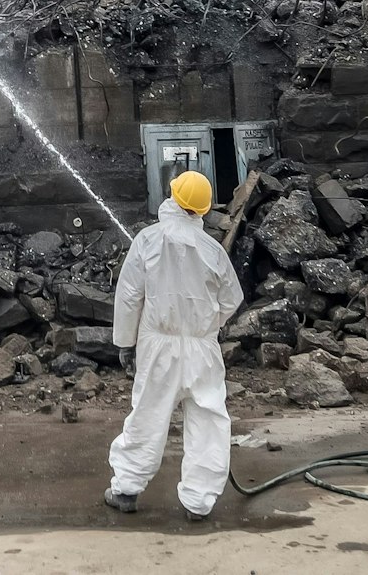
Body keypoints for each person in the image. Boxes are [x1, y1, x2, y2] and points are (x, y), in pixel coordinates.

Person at [104, 170, 245, 521]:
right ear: (203, 210)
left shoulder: (148, 240)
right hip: (202, 347)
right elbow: (232, 298)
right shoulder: (212, 249)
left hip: (158, 346)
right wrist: (210, 325)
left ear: (172, 196)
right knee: (208, 419)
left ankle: (127, 488)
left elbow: (129, 296)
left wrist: (126, 342)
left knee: (148, 415)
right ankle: (199, 502)